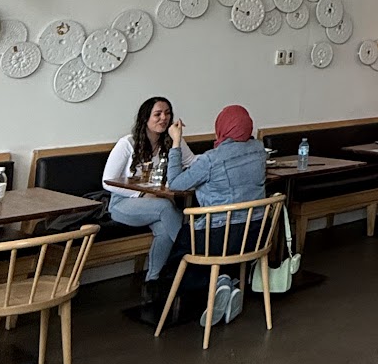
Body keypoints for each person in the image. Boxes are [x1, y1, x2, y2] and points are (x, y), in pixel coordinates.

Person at [164, 104, 267, 328]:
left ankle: (213, 287)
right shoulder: (259, 150)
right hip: (255, 235)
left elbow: (175, 184)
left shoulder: (211, 159)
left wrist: (176, 142)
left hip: (220, 236)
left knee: (179, 255)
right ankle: (227, 281)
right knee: (204, 240)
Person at [103, 96, 198, 306]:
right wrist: (140, 195)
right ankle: (193, 256)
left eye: (167, 113)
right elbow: (107, 182)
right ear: (145, 118)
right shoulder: (127, 144)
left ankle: (152, 283)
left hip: (156, 205)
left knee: (164, 229)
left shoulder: (173, 140)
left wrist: (214, 159)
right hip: (123, 204)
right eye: (158, 114)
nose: (164, 118)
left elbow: (192, 162)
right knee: (166, 208)